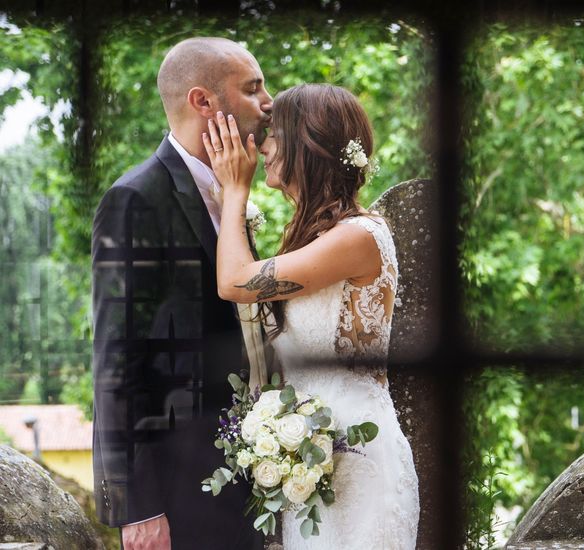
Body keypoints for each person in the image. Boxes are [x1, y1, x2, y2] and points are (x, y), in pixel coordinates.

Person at [203, 83, 419, 549]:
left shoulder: (357, 237)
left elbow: (235, 282)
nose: (261, 147)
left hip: (356, 459)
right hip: (313, 456)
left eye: (272, 135)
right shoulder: (314, 237)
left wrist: (233, 191)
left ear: (306, 144)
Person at [91, 37, 272, 550]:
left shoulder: (235, 190)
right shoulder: (135, 198)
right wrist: (138, 506)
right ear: (203, 102)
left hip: (247, 480)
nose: (268, 101)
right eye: (253, 87)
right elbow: (116, 359)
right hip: (178, 490)